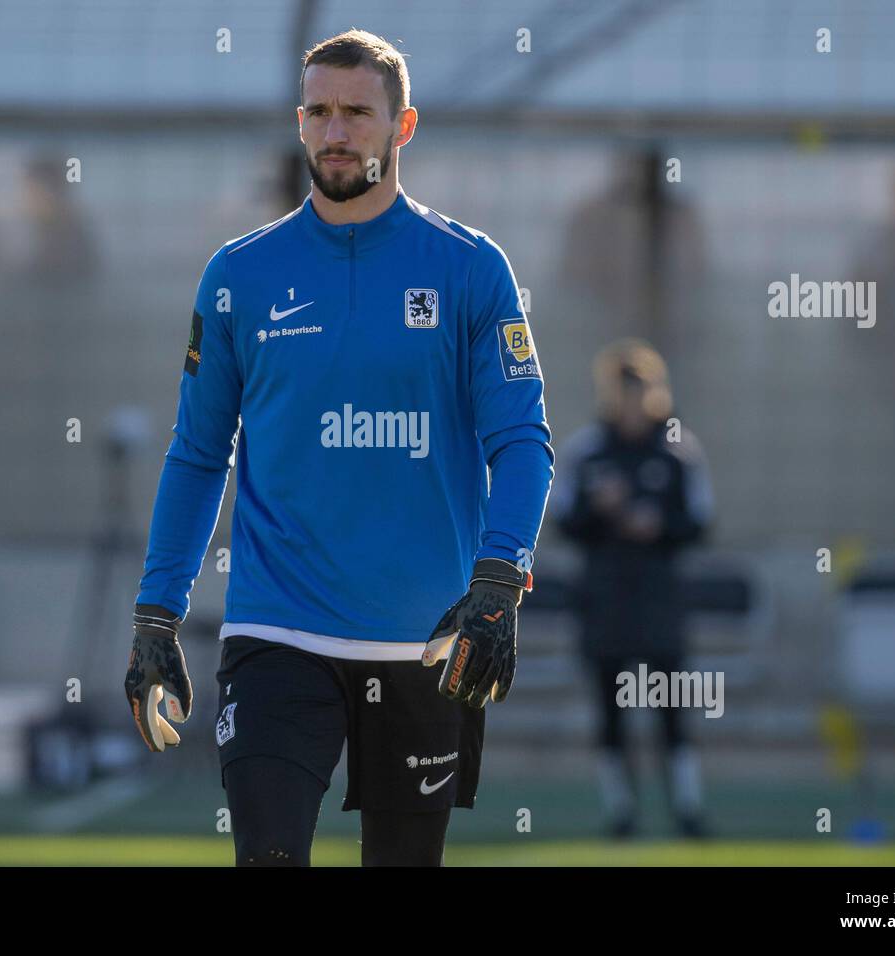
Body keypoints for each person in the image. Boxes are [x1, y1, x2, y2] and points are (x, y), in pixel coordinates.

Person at [123, 29, 553, 866]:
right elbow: (197, 454)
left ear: (404, 126)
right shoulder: (238, 275)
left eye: (358, 112)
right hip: (276, 633)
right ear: (298, 122)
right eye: (319, 111)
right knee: (269, 855)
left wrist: (498, 582)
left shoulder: (471, 268)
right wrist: (156, 613)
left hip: (425, 641)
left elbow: (522, 441)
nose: (336, 131)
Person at [551, 339, 713, 838]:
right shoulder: (587, 449)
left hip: (659, 597)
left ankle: (687, 810)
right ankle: (620, 812)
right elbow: (562, 519)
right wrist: (600, 509)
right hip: (604, 597)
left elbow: (700, 522)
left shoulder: (679, 448)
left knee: (670, 709)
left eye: (639, 388)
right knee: (610, 708)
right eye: (621, 390)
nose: (630, 400)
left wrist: (658, 524)